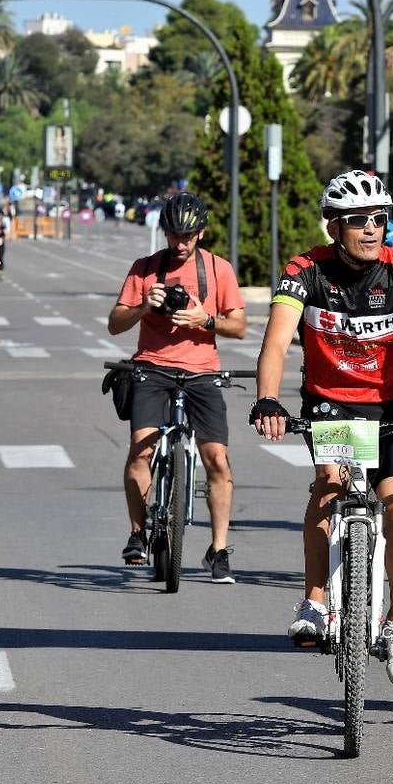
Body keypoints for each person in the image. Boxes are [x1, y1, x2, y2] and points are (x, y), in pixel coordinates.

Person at [252, 169, 393, 688]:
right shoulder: (306, 271)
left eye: (379, 220)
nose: (370, 230)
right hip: (331, 404)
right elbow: (275, 342)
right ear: (334, 226)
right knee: (330, 484)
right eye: (357, 220)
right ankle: (315, 598)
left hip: (392, 409)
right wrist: (267, 397)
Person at [108, 192, 247, 583]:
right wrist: (143, 308)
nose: (181, 243)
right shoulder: (145, 268)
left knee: (217, 458)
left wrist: (206, 320)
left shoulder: (218, 270)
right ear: (164, 232)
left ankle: (218, 550)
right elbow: (114, 323)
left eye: (188, 235)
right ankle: (137, 533)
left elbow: (238, 326)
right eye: (174, 234)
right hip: (151, 369)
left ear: (201, 233)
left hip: (202, 373)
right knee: (141, 448)